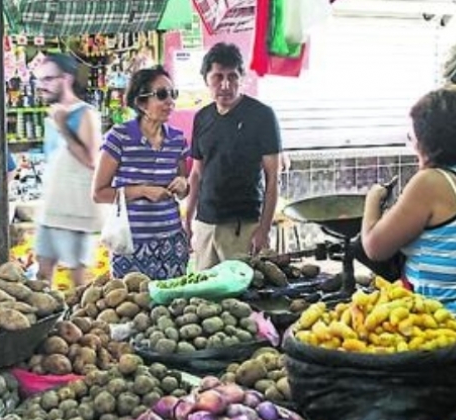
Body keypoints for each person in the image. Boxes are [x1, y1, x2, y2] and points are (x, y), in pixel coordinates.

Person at [359, 86, 456, 411]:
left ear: (430, 137)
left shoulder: (432, 183)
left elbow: (374, 247)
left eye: (414, 133)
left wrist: (372, 202)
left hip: (451, 324)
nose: (411, 139)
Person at [184, 43, 282, 270]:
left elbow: (273, 178)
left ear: (242, 78)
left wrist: (263, 230)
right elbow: (197, 173)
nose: (225, 85)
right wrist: (188, 218)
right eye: (218, 77)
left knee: (243, 298)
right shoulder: (202, 117)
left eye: (232, 76)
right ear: (206, 79)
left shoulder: (262, 115)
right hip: (206, 224)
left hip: (244, 226)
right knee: (204, 297)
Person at [93, 67, 190, 280]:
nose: (170, 102)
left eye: (173, 94)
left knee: (171, 309)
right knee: (132, 308)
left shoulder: (177, 140)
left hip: (172, 244)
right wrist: (142, 191)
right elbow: (99, 193)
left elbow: (184, 189)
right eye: (162, 95)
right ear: (141, 103)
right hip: (130, 244)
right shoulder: (119, 137)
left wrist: (184, 184)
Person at [33, 54, 104, 287]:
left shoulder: (85, 114)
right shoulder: (53, 113)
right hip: (52, 208)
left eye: (48, 79)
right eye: (39, 79)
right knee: (42, 275)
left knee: (78, 281)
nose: (42, 85)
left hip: (76, 211)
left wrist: (63, 127)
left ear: (66, 79)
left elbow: (92, 160)